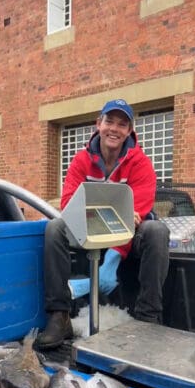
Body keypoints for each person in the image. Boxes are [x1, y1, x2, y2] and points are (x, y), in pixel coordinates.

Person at [36, 99, 170, 349]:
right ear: (98, 124)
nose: (114, 129)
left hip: (127, 236)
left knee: (156, 230)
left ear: (130, 131)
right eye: (109, 121)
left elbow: (136, 215)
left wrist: (115, 256)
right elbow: (68, 204)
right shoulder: (80, 161)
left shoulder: (141, 164)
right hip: (88, 229)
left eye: (122, 124)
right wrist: (99, 218)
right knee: (54, 227)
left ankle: (148, 318)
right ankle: (59, 315)